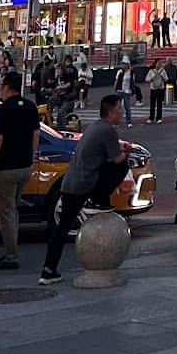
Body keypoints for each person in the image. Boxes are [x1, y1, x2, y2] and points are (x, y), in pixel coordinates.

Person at [39, 93, 132, 285]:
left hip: (71, 183)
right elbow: (117, 160)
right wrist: (126, 152)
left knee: (62, 228)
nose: (122, 113)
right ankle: (98, 200)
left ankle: (48, 270)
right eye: (119, 110)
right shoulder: (107, 130)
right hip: (84, 185)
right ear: (111, 112)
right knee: (123, 166)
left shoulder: (96, 127)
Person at [0, 69, 40, 270]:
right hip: (24, 166)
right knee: (13, 209)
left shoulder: (3, 109)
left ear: (7, 88)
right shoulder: (29, 106)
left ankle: (11, 255)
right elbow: (36, 134)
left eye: (1, 86)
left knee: (7, 211)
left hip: (6, 167)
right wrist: (32, 156)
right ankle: (12, 249)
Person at [145, 57, 167, 124]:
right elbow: (146, 79)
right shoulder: (151, 71)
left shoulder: (163, 71)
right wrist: (152, 78)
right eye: (159, 63)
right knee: (152, 104)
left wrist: (162, 77)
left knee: (159, 103)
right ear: (155, 63)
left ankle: (159, 118)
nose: (160, 64)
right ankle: (151, 117)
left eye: (161, 63)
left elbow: (166, 78)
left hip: (160, 89)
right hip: (153, 89)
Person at [115, 57, 134, 126]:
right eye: (123, 64)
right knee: (117, 107)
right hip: (119, 90)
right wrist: (115, 89)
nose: (124, 65)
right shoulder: (120, 72)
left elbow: (132, 82)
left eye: (125, 64)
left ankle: (129, 121)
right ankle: (116, 122)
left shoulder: (131, 73)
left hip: (126, 91)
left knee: (127, 107)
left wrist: (131, 89)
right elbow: (116, 81)